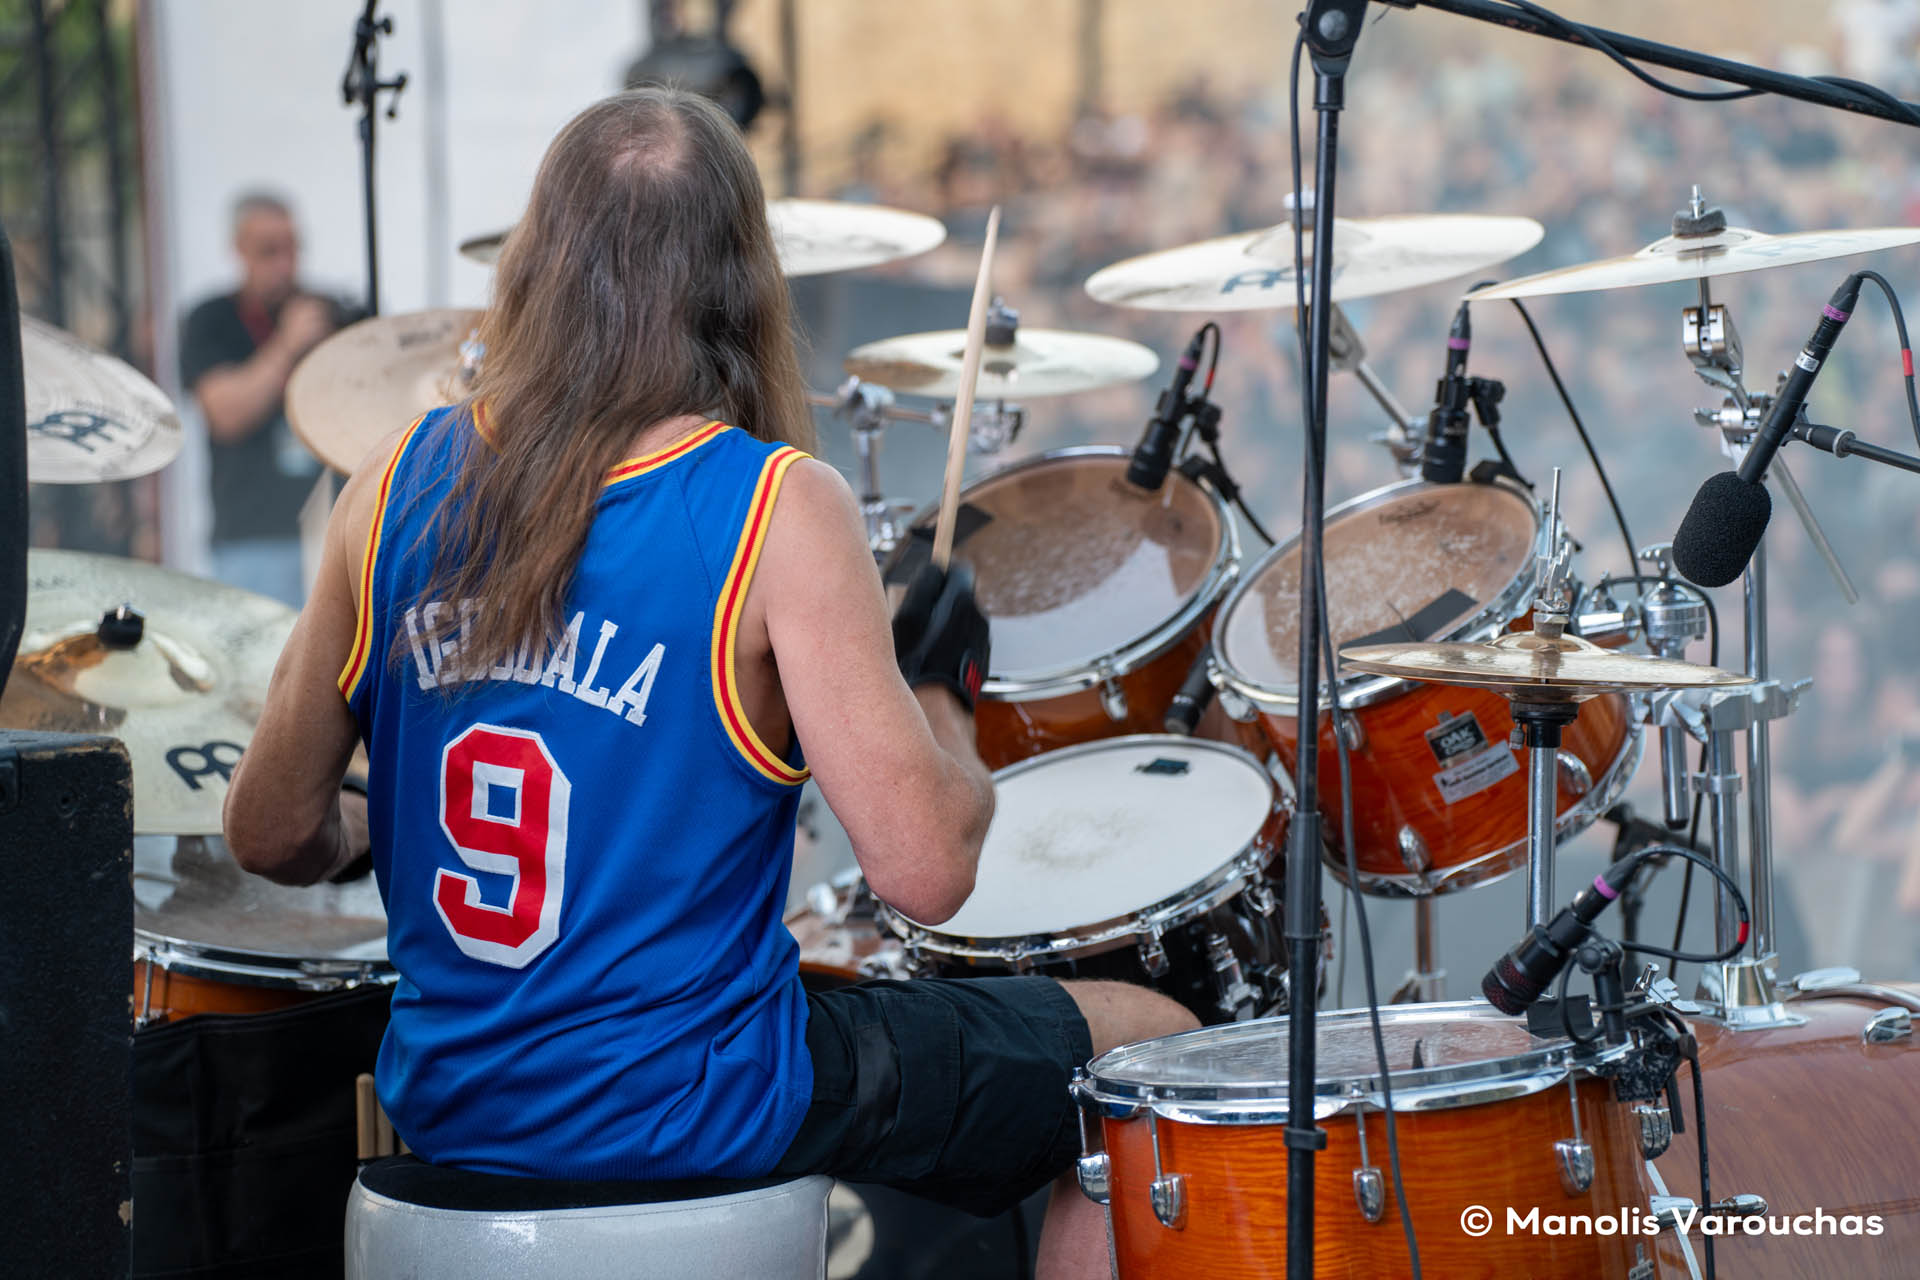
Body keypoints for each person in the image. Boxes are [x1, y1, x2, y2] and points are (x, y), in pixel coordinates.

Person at [223, 88, 1194, 1280]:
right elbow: (926, 871)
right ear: (740, 281)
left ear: (537, 264)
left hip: (453, 1112)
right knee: (1151, 1055)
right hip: (696, 1105)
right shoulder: (774, 506)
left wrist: (379, 826)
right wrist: (940, 688)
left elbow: (268, 831)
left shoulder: (388, 487)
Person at [179, 192, 352, 606]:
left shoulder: (334, 311)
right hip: (253, 539)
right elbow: (226, 415)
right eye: (269, 251)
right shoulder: (211, 318)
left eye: (292, 249)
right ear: (239, 249)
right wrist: (288, 345)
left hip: (337, 531)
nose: (285, 265)